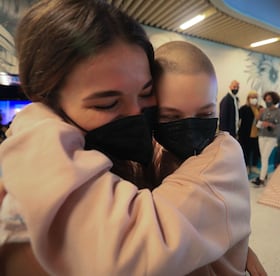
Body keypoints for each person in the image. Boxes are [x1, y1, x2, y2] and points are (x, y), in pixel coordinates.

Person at [0, 1, 250, 275]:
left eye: (145, 93)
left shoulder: (145, 152)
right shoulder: (22, 220)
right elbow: (136, 250)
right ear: (50, 104)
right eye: (107, 104)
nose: (137, 114)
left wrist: (226, 237)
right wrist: (35, 124)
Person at [153, 40, 266, 276]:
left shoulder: (224, 152)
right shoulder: (157, 148)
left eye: (205, 114)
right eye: (171, 116)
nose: (191, 128)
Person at [251, 91, 280, 186]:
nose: (267, 100)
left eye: (269, 99)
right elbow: (255, 124)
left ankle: (261, 179)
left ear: (274, 100)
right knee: (263, 157)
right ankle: (264, 175)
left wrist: (271, 125)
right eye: (266, 99)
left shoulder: (279, 112)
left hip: (272, 138)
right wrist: (259, 115)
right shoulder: (263, 111)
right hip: (261, 136)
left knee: (265, 157)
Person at [238, 90, 261, 174]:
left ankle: (254, 166)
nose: (254, 99)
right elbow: (237, 119)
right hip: (245, 134)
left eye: (255, 97)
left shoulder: (260, 108)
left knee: (256, 151)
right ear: (248, 98)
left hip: (257, 135)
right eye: (252, 97)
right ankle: (246, 167)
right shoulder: (244, 108)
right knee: (246, 151)